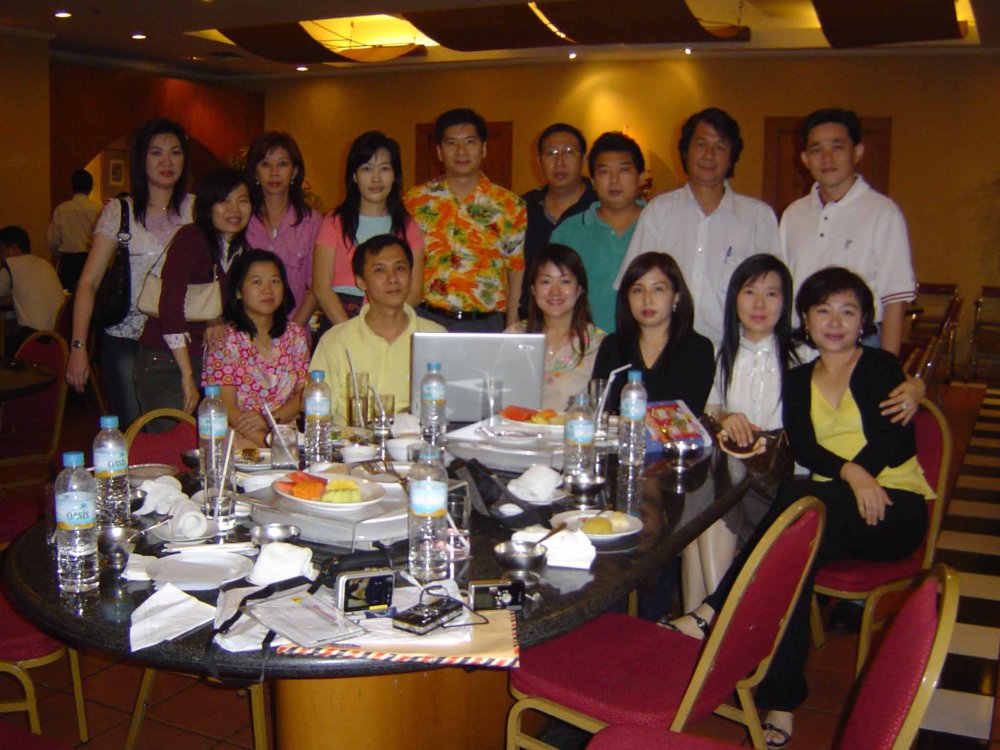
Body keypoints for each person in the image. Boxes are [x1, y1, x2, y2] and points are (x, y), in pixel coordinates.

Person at [670, 267, 933, 749]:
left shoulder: (881, 368)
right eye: (823, 311)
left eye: (848, 311)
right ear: (807, 321)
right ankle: (782, 702)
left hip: (892, 505)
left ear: (863, 322)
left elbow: (892, 438)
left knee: (799, 506)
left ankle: (715, 606)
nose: (835, 321)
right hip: (833, 509)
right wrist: (850, 478)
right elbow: (807, 448)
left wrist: (858, 476)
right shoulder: (799, 377)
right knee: (794, 560)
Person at [616, 108, 780, 351]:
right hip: (668, 353)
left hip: (734, 354)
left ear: (732, 155)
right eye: (701, 144)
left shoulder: (758, 217)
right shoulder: (658, 212)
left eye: (720, 146)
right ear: (685, 150)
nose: (709, 155)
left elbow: (775, 295)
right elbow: (634, 285)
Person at [66, 118, 194, 428]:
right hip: (127, 337)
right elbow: (88, 283)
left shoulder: (197, 210)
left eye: (175, 153)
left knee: (180, 429)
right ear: (141, 159)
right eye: (156, 153)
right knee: (134, 428)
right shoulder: (120, 211)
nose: (167, 161)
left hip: (182, 339)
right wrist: (78, 347)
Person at [781, 108, 916, 355]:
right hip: (800, 347)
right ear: (805, 159)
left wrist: (886, 368)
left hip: (859, 347)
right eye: (816, 150)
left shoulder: (882, 213)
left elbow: (894, 301)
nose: (827, 158)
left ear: (857, 152)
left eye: (838, 147)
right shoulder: (793, 215)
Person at [135, 167, 251, 417]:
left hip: (209, 364)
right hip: (166, 360)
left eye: (243, 201)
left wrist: (215, 319)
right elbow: (171, 306)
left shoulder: (242, 251)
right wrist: (187, 375)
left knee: (208, 442)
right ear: (208, 206)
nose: (235, 209)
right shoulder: (191, 238)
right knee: (172, 441)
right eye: (224, 201)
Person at [404, 108, 526, 332]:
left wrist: (512, 323)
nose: (461, 151)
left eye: (470, 142)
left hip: (487, 323)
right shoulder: (415, 202)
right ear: (439, 151)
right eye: (451, 143)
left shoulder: (510, 205)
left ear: (484, 148)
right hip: (426, 319)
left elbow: (516, 270)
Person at [310, 234, 445, 422]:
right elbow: (318, 417)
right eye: (379, 270)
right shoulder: (335, 341)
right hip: (352, 447)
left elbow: (451, 413)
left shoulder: (437, 337)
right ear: (360, 281)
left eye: (400, 268)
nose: (392, 279)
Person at [313, 131, 425, 327]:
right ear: (355, 176)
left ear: (394, 175)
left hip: (392, 320)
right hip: (341, 320)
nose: (376, 179)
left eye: (384, 169)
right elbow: (321, 287)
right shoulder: (334, 222)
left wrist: (384, 323)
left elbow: (415, 291)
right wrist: (351, 331)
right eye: (366, 169)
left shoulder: (408, 226)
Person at [202, 249, 309, 448]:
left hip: (287, 436)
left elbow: (305, 393)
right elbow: (225, 407)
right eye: (257, 281)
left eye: (275, 281)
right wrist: (268, 441)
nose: (267, 289)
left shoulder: (295, 335)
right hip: (243, 440)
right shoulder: (224, 341)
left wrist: (271, 421)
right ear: (239, 291)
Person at [593, 252, 714, 415]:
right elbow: (600, 410)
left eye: (658, 289)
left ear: (676, 297)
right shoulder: (612, 346)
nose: (647, 299)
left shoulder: (698, 349)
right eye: (637, 290)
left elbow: (689, 415)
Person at [551, 131, 646, 333]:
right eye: (604, 172)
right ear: (592, 180)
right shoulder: (568, 232)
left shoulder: (659, 224)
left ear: (641, 177)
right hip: (585, 347)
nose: (614, 180)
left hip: (649, 347)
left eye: (623, 170)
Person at [506, 244, 605, 412]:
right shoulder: (513, 337)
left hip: (574, 436)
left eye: (565, 281)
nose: (555, 291)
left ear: (579, 289)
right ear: (533, 289)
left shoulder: (599, 343)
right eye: (546, 282)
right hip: (516, 435)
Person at [244, 131, 322, 330]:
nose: (274, 172)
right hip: (245, 333)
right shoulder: (242, 218)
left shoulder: (312, 221)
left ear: (295, 171)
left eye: (282, 164)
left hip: (294, 332)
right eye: (265, 164)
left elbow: (317, 286)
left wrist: (292, 333)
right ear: (254, 172)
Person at [519, 123, 597, 314]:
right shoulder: (523, 207)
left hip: (590, 321)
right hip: (533, 320)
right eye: (551, 153)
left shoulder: (599, 206)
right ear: (539, 162)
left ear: (584, 160)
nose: (560, 162)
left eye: (569, 152)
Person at [0, 226, 66, 352]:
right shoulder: (45, 264)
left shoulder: (10, 265)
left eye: (1, 250)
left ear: (14, 248)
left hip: (34, 338)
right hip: (59, 337)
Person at [47, 168, 102, 292]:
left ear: (72, 186)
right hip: (92, 260)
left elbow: (53, 241)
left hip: (69, 263)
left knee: (68, 298)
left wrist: (60, 254)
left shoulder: (61, 209)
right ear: (91, 187)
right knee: (93, 297)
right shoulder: (99, 209)